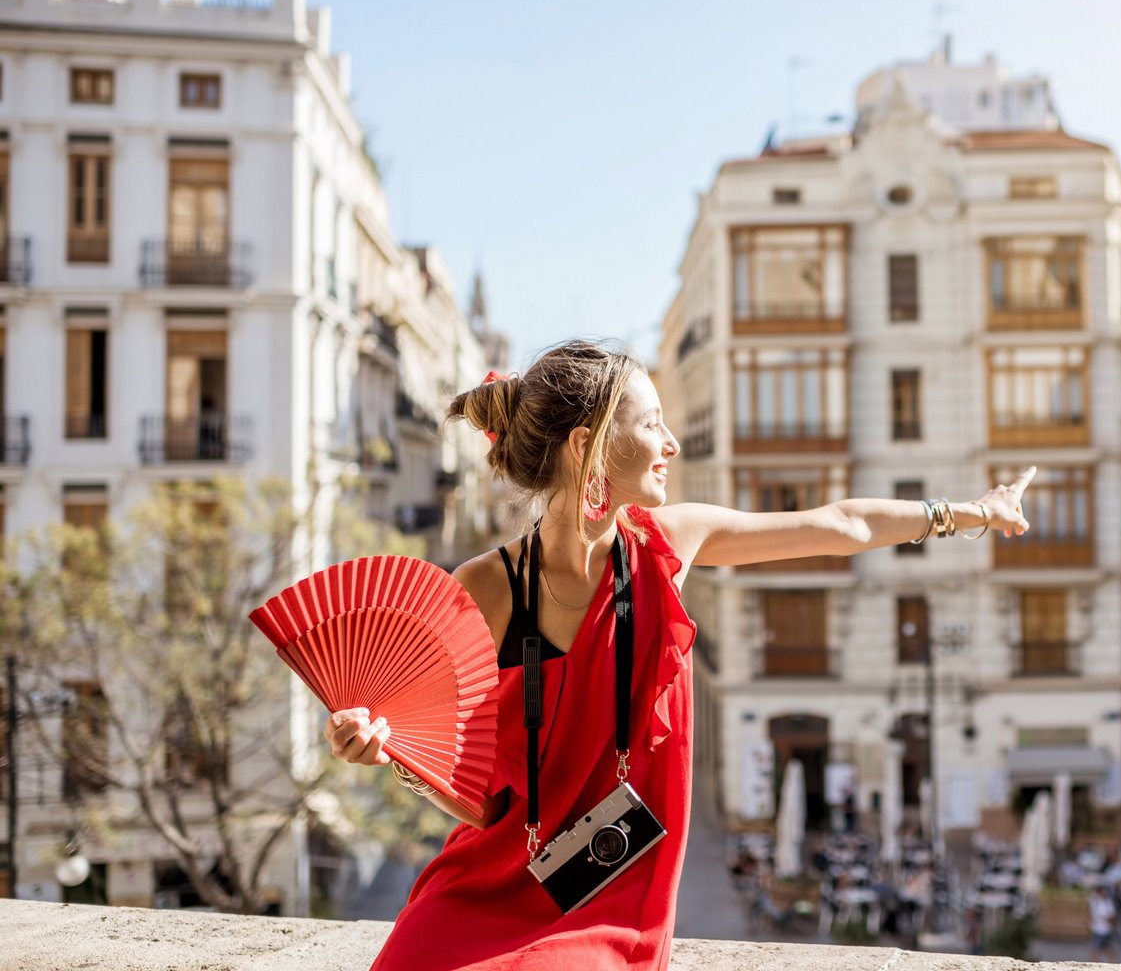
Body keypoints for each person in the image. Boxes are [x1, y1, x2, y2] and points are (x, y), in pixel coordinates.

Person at [322, 340, 1036, 970]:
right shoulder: (483, 587)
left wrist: (974, 512)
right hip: (492, 880)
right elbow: (477, 801)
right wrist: (390, 754)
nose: (671, 443)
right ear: (589, 445)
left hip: (609, 895)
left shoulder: (668, 543)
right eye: (651, 423)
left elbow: (840, 523)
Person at [1088, 884, 1119, 963]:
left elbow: (1111, 917)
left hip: (1103, 930)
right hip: (1098, 929)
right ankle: (1117, 963)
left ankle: (1093, 965)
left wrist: (1108, 920)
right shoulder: (1095, 900)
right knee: (1107, 950)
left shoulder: (1106, 904)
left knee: (1095, 950)